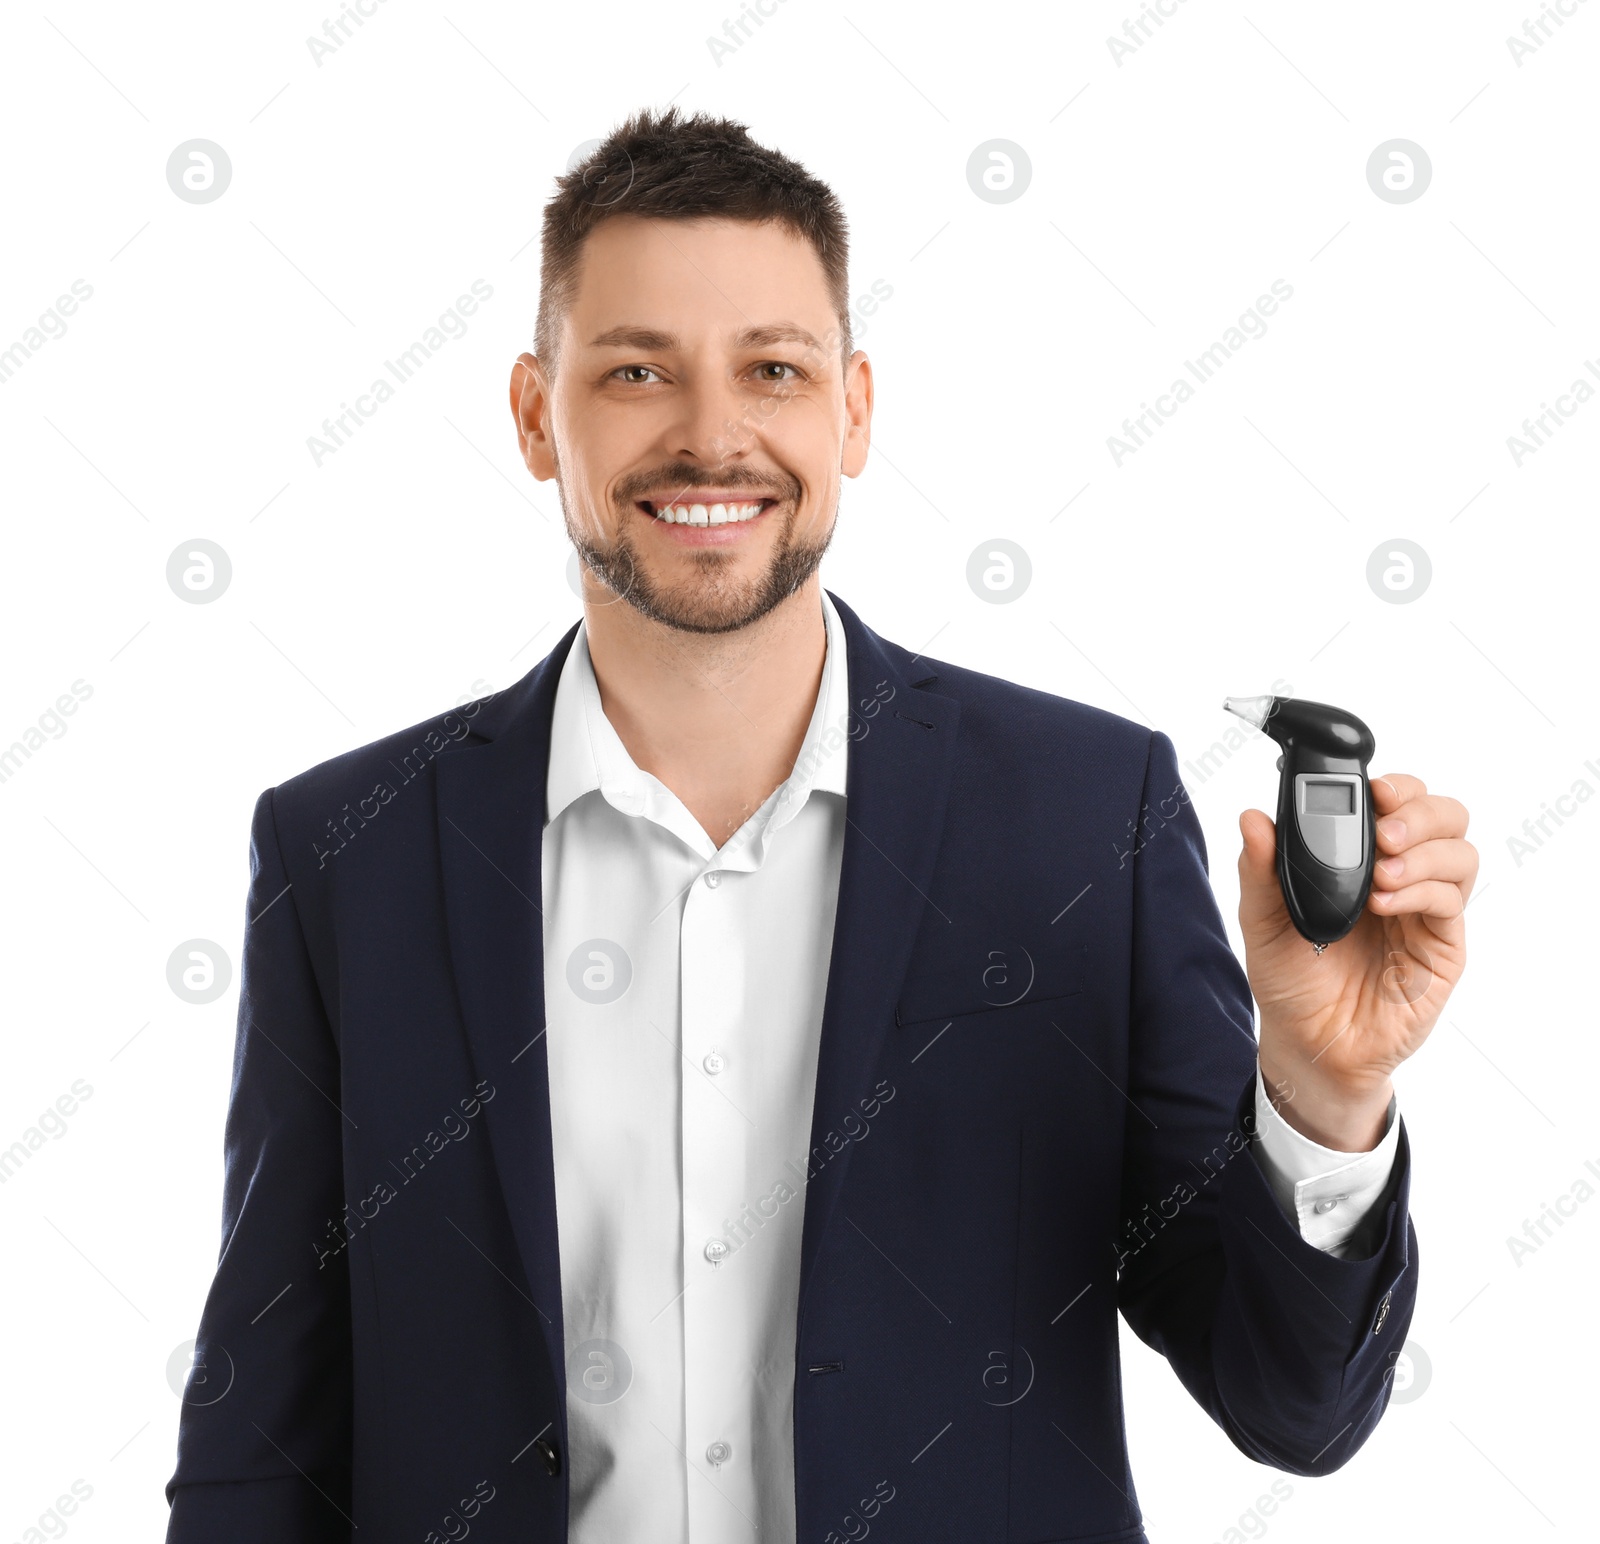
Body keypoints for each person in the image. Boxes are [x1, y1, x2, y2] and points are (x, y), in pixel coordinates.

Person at [164, 106, 1476, 1543]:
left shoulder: (1078, 818)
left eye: (772, 370)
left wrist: (1325, 1091)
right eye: (636, 371)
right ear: (540, 417)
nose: (712, 435)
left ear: (852, 410)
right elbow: (261, 1449)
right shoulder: (347, 854)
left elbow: (1293, 1407)